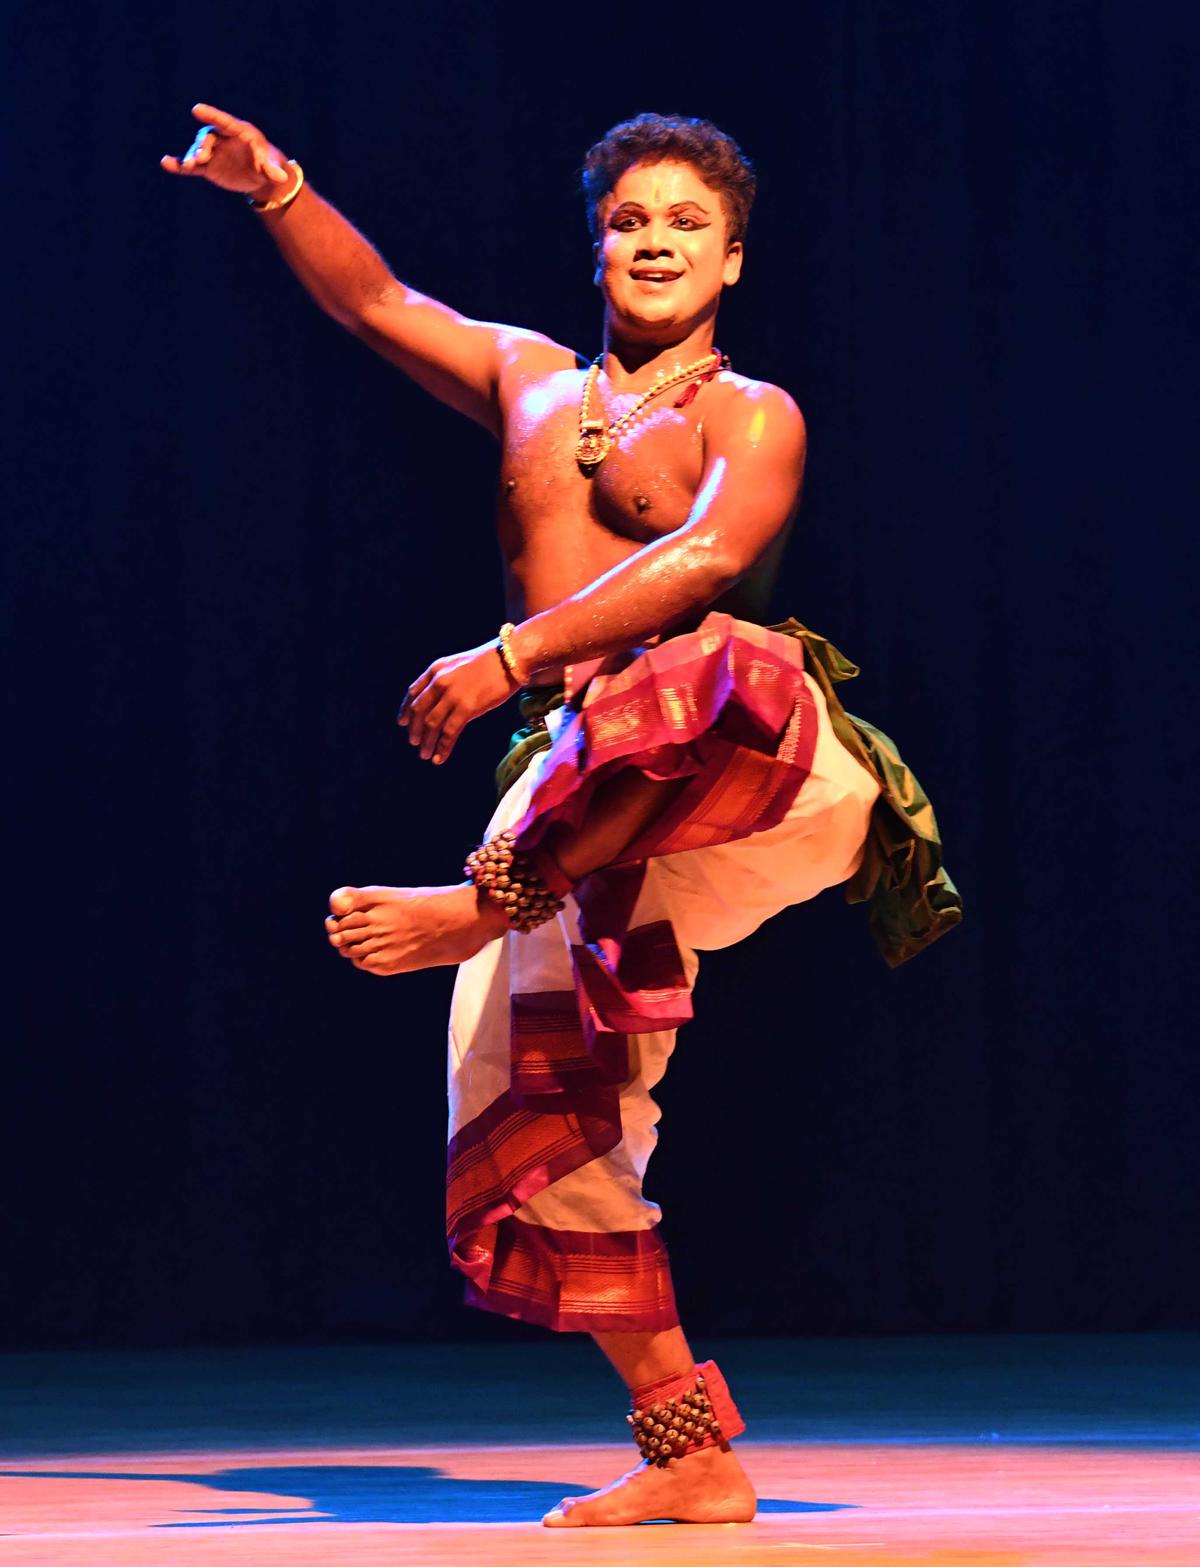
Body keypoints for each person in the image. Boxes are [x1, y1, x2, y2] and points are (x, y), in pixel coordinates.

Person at [163, 105, 960, 1527]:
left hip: (751, 773)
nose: (655, 242)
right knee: (526, 1112)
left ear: (730, 263)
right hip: (578, 803)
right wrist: (275, 185)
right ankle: (690, 1455)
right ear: (598, 243)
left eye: (686, 226)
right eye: (632, 220)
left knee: (718, 663)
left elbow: (711, 556)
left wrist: (507, 658)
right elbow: (378, 301)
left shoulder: (748, 411)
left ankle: (492, 891)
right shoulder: (529, 383)